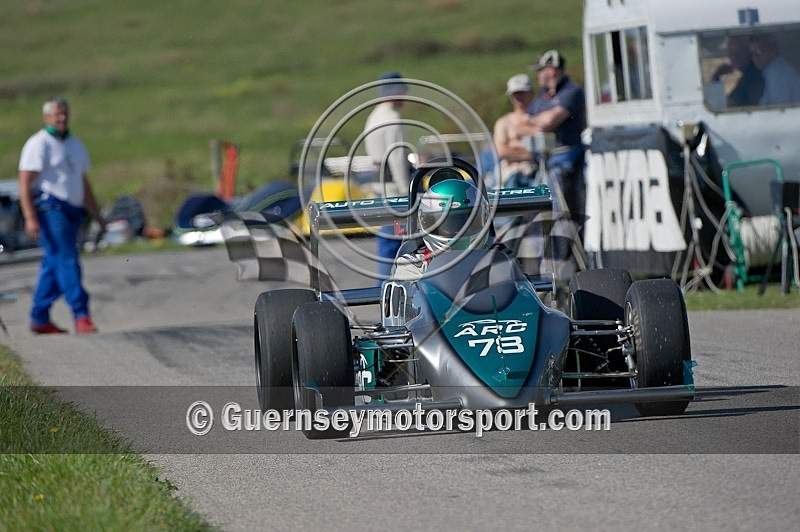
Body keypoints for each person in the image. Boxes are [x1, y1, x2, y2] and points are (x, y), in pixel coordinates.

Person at [18, 97, 106, 334]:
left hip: (72, 210)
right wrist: (30, 217)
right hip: (50, 208)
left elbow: (82, 182)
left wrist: (97, 213)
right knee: (67, 259)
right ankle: (81, 313)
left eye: (65, 113)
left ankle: (39, 316)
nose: (62, 118)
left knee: (53, 263)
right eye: (57, 114)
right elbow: (25, 181)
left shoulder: (75, 145)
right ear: (47, 117)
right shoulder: (39, 144)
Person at [519, 50, 587, 222]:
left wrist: (538, 121)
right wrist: (540, 121)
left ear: (551, 70)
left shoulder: (572, 91)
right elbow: (524, 123)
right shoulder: (543, 94)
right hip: (545, 158)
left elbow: (550, 121)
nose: (538, 75)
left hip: (567, 157)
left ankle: (567, 244)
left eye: (540, 70)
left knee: (562, 206)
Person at [393, 174, 491, 281]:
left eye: (464, 221)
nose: (456, 229)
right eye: (447, 223)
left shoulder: (498, 257)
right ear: (426, 223)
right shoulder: (413, 266)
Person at [363, 71, 411, 279]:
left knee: (387, 242)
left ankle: (383, 288)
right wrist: (406, 193)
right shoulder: (393, 119)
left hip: (379, 186)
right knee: (397, 245)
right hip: (394, 190)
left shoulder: (374, 116)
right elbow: (398, 159)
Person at [492, 74, 536, 188]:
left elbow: (545, 149)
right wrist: (530, 153)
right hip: (509, 173)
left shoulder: (540, 119)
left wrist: (514, 150)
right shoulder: (504, 122)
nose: (519, 97)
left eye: (522, 92)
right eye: (515, 94)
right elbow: (500, 151)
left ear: (531, 93)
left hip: (535, 172)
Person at [711, 35, 764, 107]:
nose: (734, 57)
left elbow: (727, 106)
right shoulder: (747, 74)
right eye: (731, 53)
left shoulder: (752, 75)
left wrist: (716, 77)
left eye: (738, 52)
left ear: (748, 52)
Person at [749, 33, 800, 106]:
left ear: (773, 51)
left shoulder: (777, 74)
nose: (755, 58)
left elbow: (779, 111)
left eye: (758, 52)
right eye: (752, 54)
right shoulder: (771, 71)